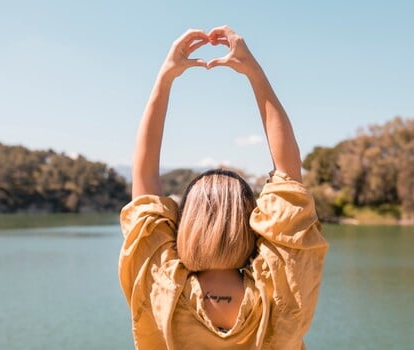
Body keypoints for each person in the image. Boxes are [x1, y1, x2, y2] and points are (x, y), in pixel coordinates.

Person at [118, 25, 329, 349]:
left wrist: (165, 79)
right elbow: (289, 174)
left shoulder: (160, 287)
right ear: (250, 222)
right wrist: (255, 74)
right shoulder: (281, 284)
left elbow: (144, 185)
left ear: (185, 224)